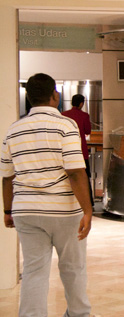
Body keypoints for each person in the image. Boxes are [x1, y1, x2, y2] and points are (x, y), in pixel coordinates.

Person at [1, 73, 93, 316]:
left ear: (29, 99)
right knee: (73, 267)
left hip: (26, 211)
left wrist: (8, 211)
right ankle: (78, 313)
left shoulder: (14, 129)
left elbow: (7, 176)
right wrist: (88, 210)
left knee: (33, 270)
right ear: (55, 95)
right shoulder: (65, 125)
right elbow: (75, 171)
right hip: (63, 211)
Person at [62, 93, 94, 207]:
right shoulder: (84, 115)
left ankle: (69, 203)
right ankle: (88, 203)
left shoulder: (63, 115)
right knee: (84, 177)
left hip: (65, 151)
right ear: (81, 104)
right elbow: (87, 131)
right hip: (81, 152)